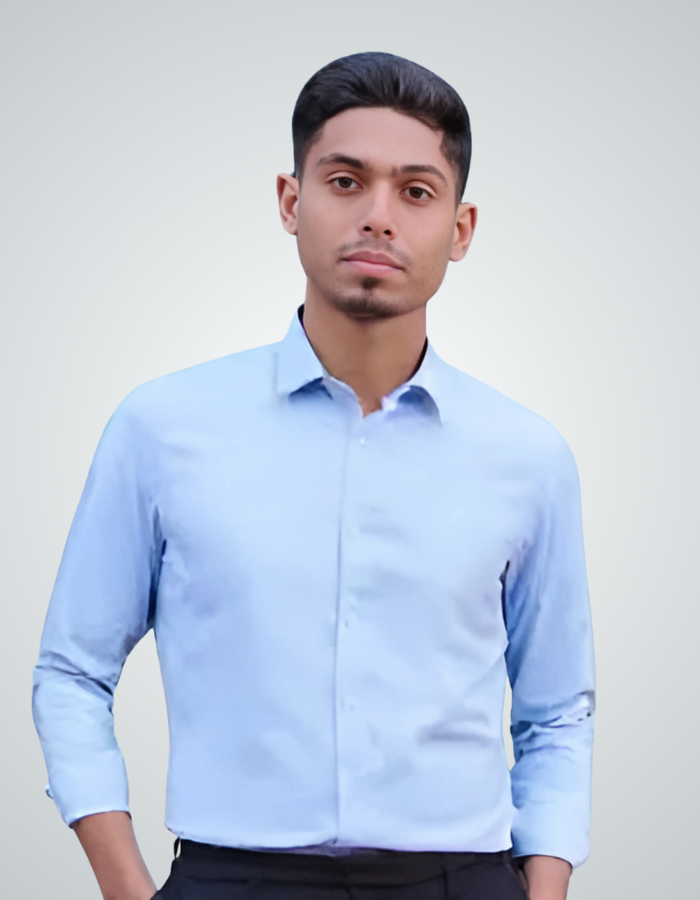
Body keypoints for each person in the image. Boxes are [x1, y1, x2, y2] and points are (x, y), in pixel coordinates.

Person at [32, 52, 595, 900]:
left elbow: (558, 712)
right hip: (232, 877)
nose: (378, 217)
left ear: (461, 228)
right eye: (345, 181)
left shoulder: (527, 457)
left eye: (416, 191)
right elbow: (73, 673)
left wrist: (543, 891)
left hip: (462, 880)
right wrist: (126, 888)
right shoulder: (161, 428)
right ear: (292, 202)